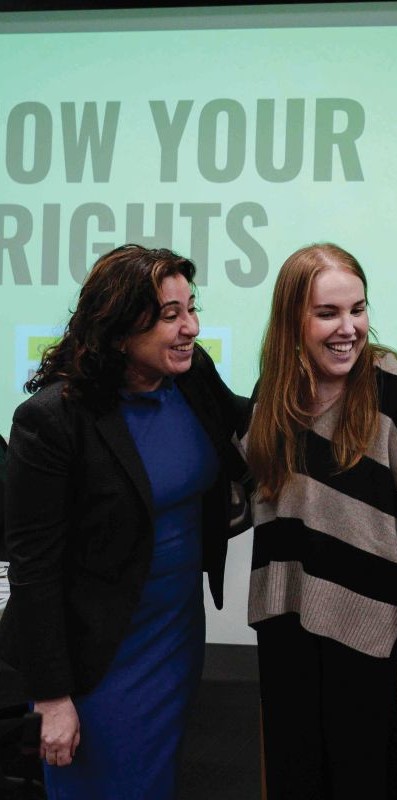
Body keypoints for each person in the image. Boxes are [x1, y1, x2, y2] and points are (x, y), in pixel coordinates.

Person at [0, 244, 248, 797]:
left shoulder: (190, 374)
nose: (191, 327)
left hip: (175, 633)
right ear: (117, 331)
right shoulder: (53, 420)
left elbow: (248, 423)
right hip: (98, 656)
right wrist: (54, 697)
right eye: (170, 315)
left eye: (191, 307)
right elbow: (34, 570)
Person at [243, 243, 397, 799]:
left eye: (357, 310)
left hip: (375, 648)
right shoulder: (273, 397)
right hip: (288, 635)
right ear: (293, 319)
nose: (348, 328)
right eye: (327, 314)